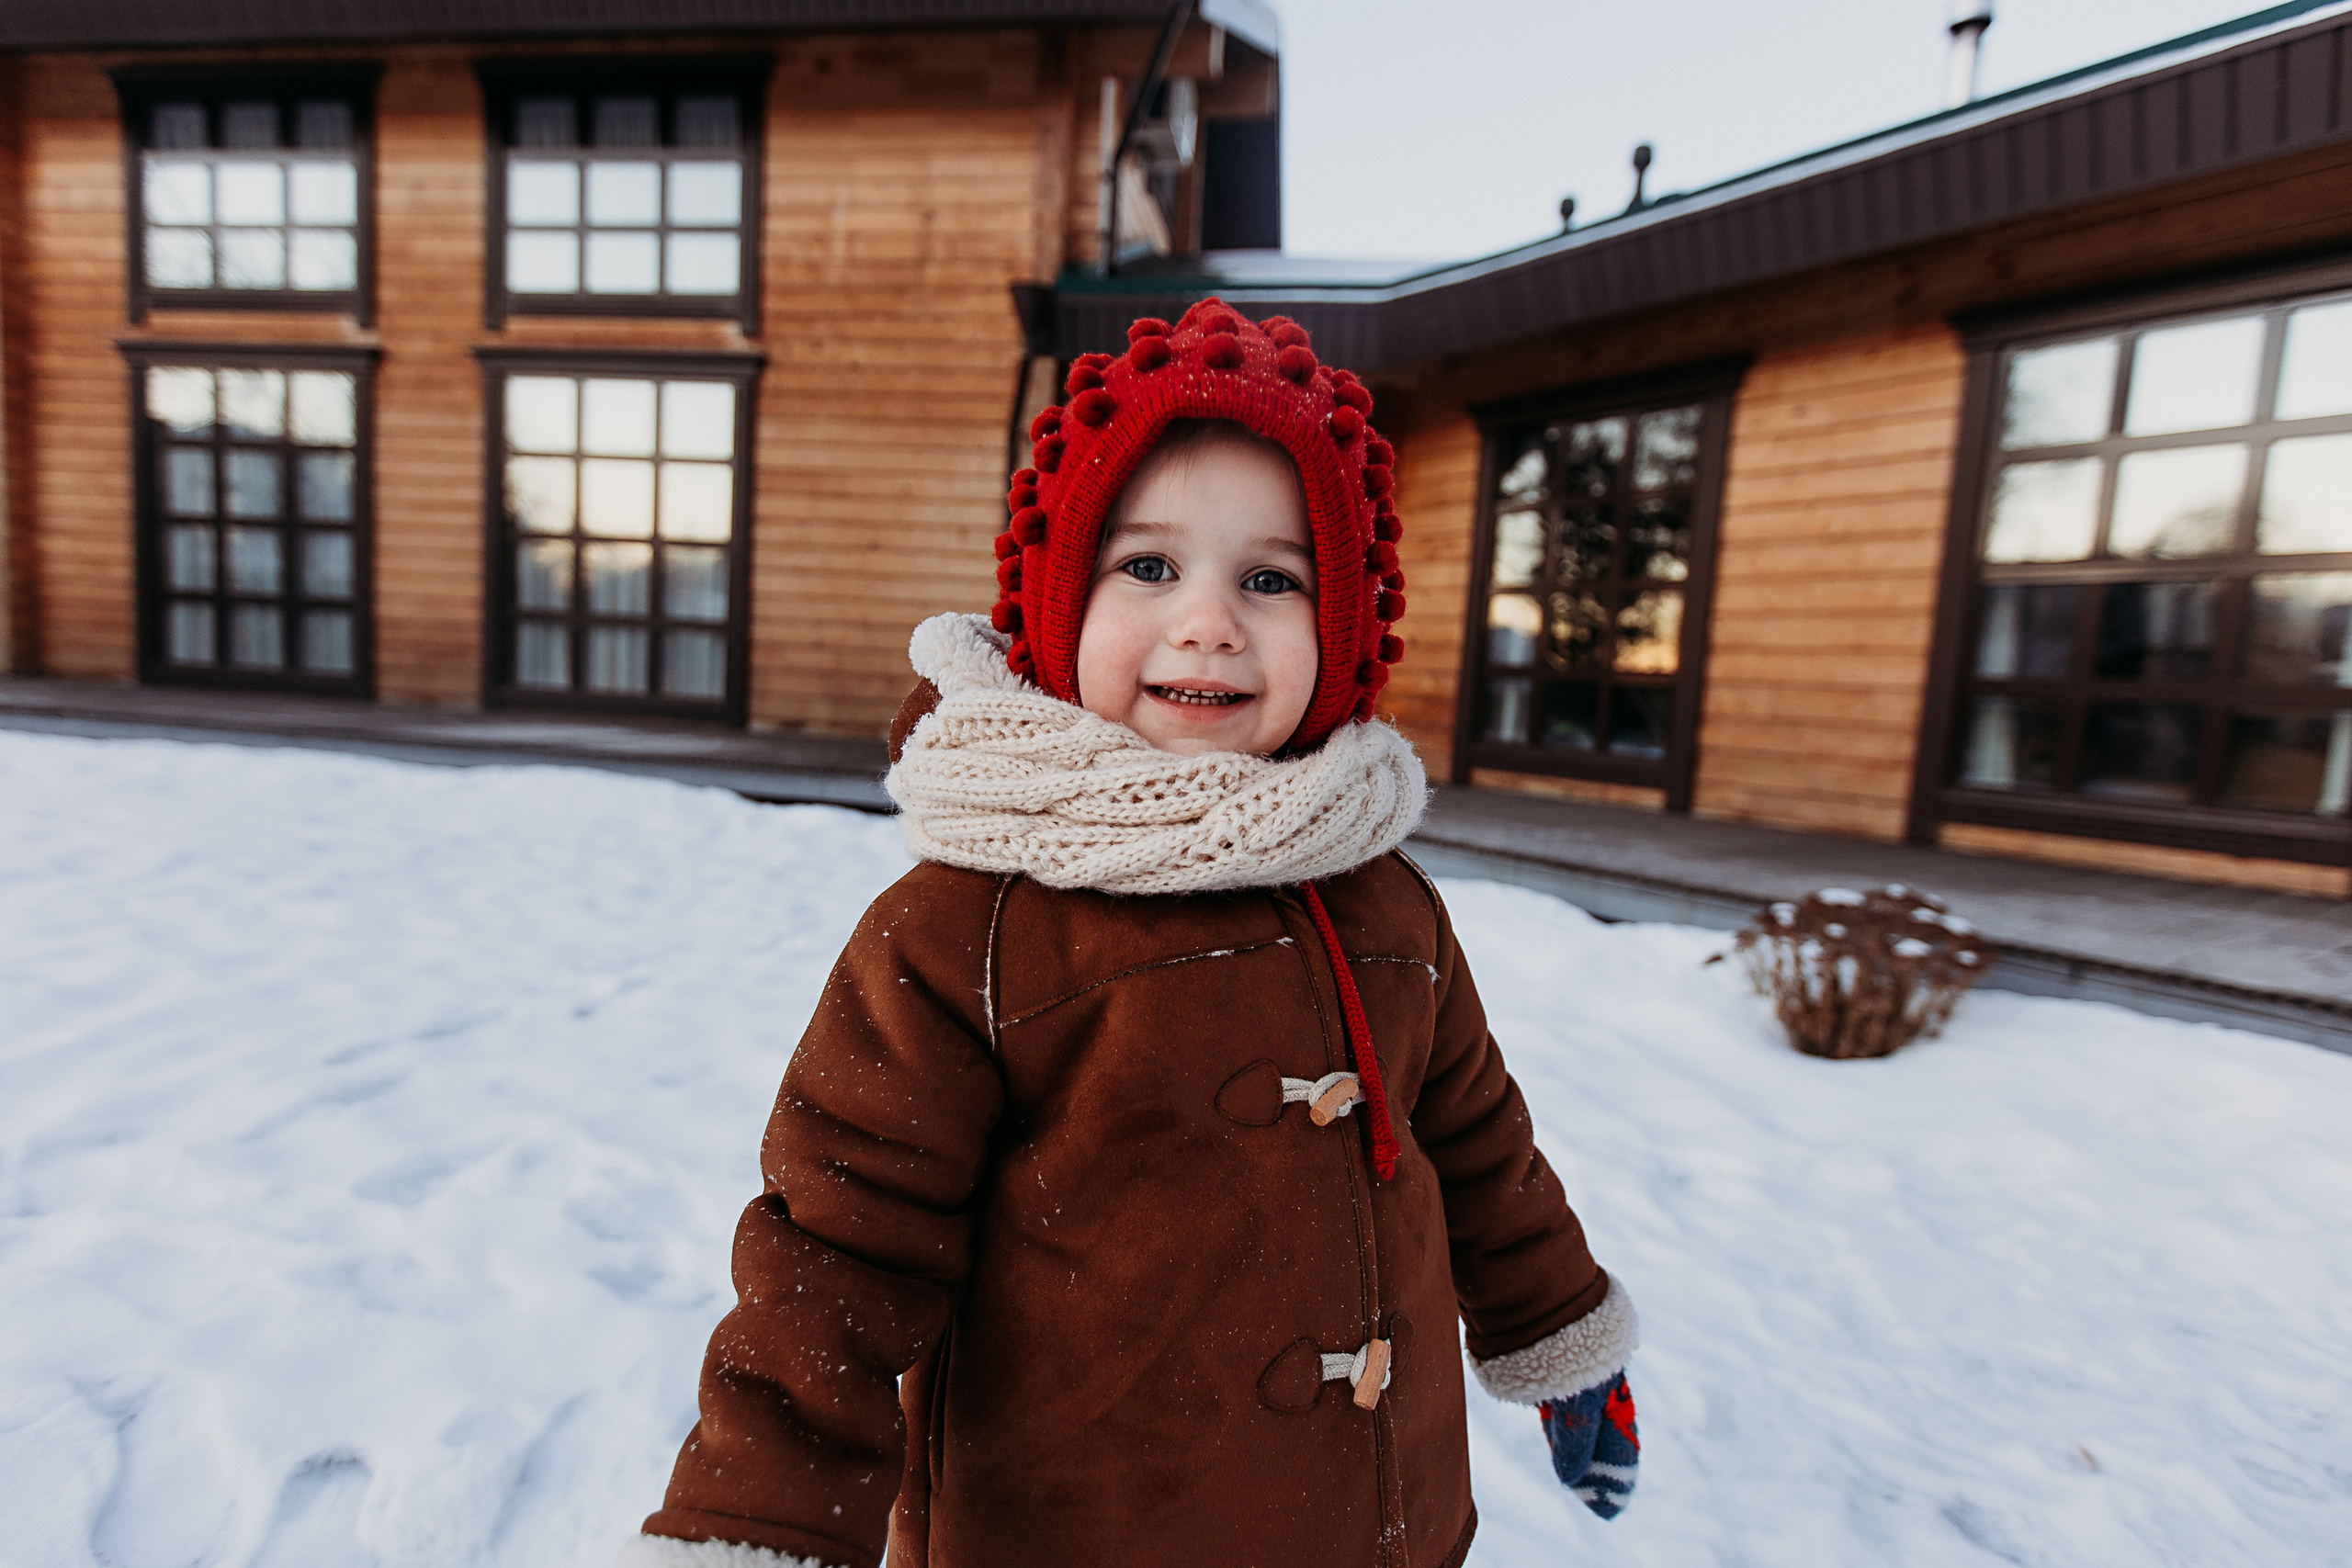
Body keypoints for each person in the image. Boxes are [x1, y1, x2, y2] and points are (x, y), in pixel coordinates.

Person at [620, 302, 1641, 1568]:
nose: (1209, 622)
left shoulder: (1384, 898)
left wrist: (1563, 1338)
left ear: (1345, 634)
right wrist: (755, 1522)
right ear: (1056, 605)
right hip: (1079, 1526)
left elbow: (1478, 1138)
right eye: (1148, 567)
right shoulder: (969, 928)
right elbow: (840, 1248)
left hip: (1382, 1517)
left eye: (1270, 580)